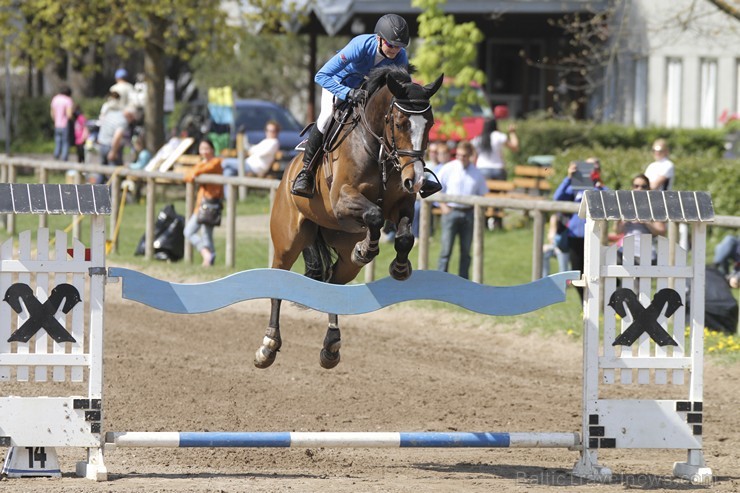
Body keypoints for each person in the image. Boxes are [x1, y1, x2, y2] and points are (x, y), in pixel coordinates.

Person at [291, 13, 411, 198]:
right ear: (379, 39)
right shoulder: (360, 46)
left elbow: (399, 87)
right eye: (391, 45)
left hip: (367, 92)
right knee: (325, 118)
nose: (395, 50)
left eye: (399, 46)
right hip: (338, 85)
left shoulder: (400, 56)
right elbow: (321, 76)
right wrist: (347, 93)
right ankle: (305, 172)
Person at [553, 157, 606, 301]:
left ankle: (597, 303)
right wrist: (568, 178)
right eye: (587, 167)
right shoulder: (575, 188)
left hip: (594, 236)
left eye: (594, 167)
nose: (591, 170)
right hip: (574, 236)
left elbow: (609, 203)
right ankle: (585, 303)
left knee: (594, 273)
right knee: (577, 273)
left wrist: (599, 187)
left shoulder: (601, 188)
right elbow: (557, 198)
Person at [436, 140, 488, 279]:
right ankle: (440, 280)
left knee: (466, 251)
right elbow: (437, 188)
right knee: (446, 250)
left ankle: (463, 280)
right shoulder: (448, 168)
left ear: (470, 155)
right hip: (451, 211)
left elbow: (482, 194)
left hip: (469, 214)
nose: (460, 158)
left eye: (464, 155)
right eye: (458, 155)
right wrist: (443, 206)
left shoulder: (477, 173)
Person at [183, 139, 224, 267]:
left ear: (212, 149)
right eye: (202, 149)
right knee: (189, 231)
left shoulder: (216, 162)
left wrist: (195, 172)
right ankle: (207, 253)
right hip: (200, 204)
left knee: (207, 234)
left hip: (211, 203)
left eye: (207, 148)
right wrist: (194, 172)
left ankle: (208, 259)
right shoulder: (201, 163)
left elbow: (204, 169)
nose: (204, 151)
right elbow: (188, 175)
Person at [614, 174, 666, 265]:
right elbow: (617, 231)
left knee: (638, 279)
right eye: (636, 186)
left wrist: (646, 222)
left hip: (646, 253)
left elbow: (661, 231)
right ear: (632, 188)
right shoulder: (626, 206)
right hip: (625, 251)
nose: (639, 189)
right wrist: (622, 220)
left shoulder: (653, 207)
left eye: (643, 186)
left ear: (648, 188)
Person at [95, 106, 137, 183]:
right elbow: (117, 137)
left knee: (102, 171)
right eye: (132, 119)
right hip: (111, 147)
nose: (131, 121)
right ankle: (112, 194)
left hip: (101, 144)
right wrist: (113, 152)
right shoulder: (123, 121)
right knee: (115, 174)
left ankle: (96, 193)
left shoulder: (111, 114)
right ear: (129, 115)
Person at [542, 213, 571, 277]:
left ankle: (565, 281)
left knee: (563, 271)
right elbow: (551, 240)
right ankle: (545, 277)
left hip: (564, 249)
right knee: (543, 253)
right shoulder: (556, 229)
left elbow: (562, 244)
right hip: (556, 248)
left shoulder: (564, 229)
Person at [50, 86, 74, 161]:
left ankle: (56, 156)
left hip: (57, 124)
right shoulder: (68, 100)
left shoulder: (55, 99)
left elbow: (52, 113)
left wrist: (55, 120)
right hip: (65, 124)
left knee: (57, 141)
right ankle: (64, 160)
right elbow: (69, 115)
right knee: (65, 142)